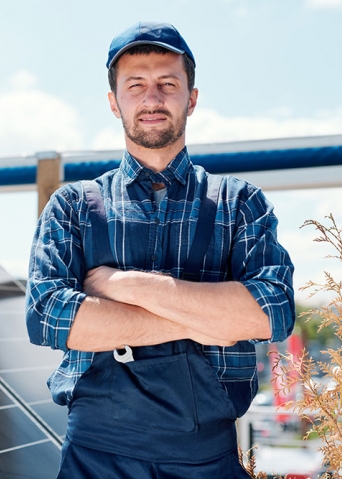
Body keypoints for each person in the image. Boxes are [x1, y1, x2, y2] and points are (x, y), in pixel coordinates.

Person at [26, 21, 295, 478]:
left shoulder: (238, 203)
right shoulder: (73, 206)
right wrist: (205, 320)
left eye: (167, 83)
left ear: (191, 97)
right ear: (115, 102)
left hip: (206, 459)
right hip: (96, 458)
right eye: (136, 86)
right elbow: (49, 317)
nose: (152, 98)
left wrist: (122, 285)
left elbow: (270, 313)